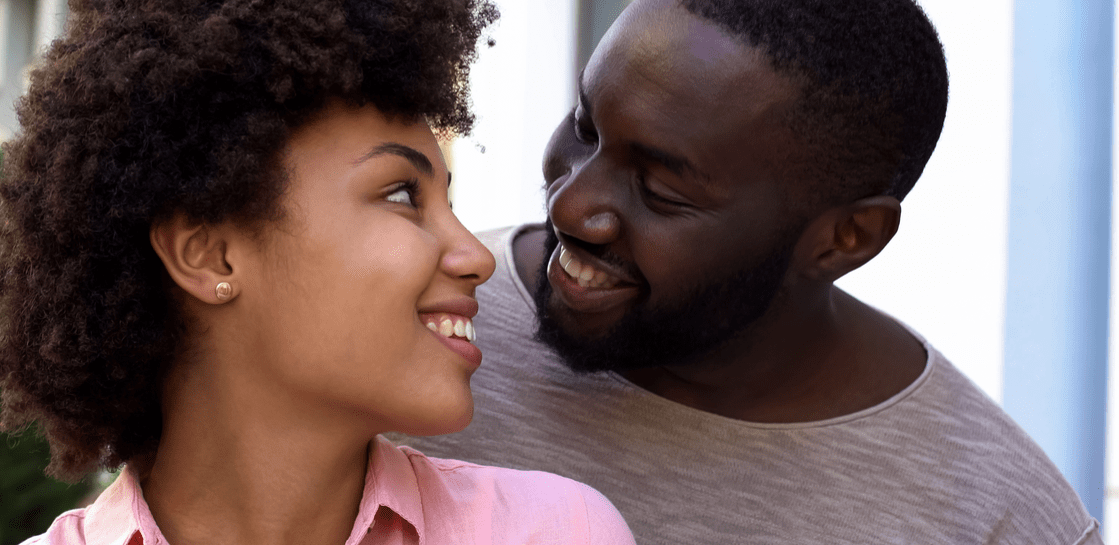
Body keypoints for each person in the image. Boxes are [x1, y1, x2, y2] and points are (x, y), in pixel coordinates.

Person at [391, 0, 1103, 543]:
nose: (572, 206)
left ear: (844, 239)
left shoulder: (995, 518)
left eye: (662, 191)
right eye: (586, 126)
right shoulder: (393, 335)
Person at [0, 0, 636, 544]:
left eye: (449, 203)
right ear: (210, 255)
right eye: (403, 193)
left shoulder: (557, 531)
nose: (476, 257)